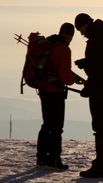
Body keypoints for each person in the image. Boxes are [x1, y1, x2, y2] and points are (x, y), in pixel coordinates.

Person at [30, 22, 81, 171]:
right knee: (57, 126)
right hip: (55, 91)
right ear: (71, 36)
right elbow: (64, 76)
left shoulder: (49, 44)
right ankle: (54, 159)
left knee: (47, 125)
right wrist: (73, 81)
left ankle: (42, 158)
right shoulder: (64, 49)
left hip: (43, 89)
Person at [74, 13, 103, 178]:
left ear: (85, 24)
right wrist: (86, 62)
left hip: (101, 88)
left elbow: (99, 70)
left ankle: (102, 166)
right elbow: (101, 61)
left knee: (100, 126)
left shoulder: (96, 38)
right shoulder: (102, 35)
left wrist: (88, 88)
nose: (81, 33)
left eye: (80, 29)